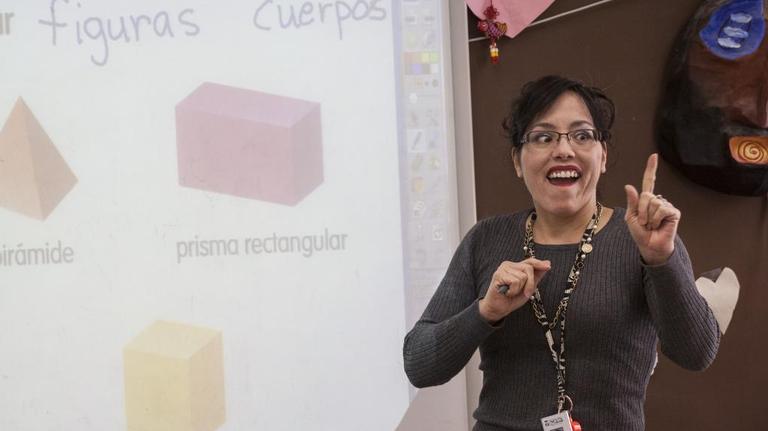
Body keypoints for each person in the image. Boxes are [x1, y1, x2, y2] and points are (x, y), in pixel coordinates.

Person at [402, 75, 720, 431]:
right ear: (518, 161)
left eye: (582, 135)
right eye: (543, 137)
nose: (564, 150)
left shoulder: (645, 239)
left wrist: (661, 260)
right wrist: (485, 312)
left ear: (603, 157)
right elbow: (419, 364)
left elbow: (697, 354)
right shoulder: (487, 239)